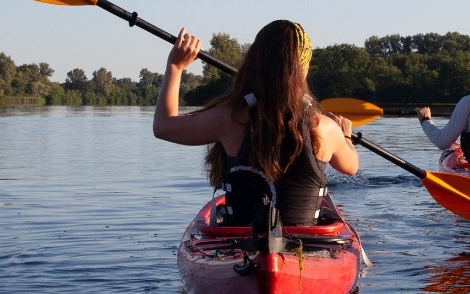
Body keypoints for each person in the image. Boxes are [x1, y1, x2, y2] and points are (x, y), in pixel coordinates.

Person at [152, 20, 359, 227]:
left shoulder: (229, 118)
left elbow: (163, 127)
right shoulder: (325, 128)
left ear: (254, 62)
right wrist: (345, 136)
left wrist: (175, 67)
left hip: (240, 247)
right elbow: (351, 167)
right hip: (308, 246)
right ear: (304, 68)